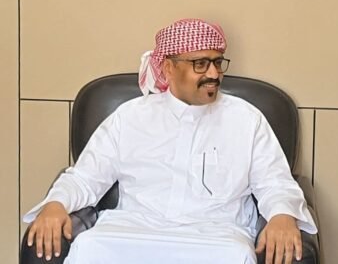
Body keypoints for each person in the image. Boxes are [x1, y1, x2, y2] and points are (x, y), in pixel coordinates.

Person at [23, 18, 316, 264]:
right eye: (200, 64)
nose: (213, 74)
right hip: (132, 233)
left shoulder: (246, 120)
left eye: (217, 62)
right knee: (90, 247)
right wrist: (56, 204)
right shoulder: (130, 117)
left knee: (235, 254)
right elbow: (86, 177)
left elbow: (275, 182)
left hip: (214, 239)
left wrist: (282, 214)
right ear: (168, 68)